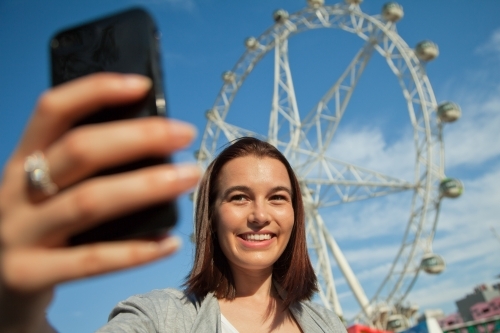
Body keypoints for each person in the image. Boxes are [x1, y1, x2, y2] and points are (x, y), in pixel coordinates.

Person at [0, 74, 345, 332]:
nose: (259, 215)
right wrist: (16, 311)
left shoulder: (327, 324)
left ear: (295, 215)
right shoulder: (160, 317)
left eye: (277, 198)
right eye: (238, 197)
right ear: (210, 216)